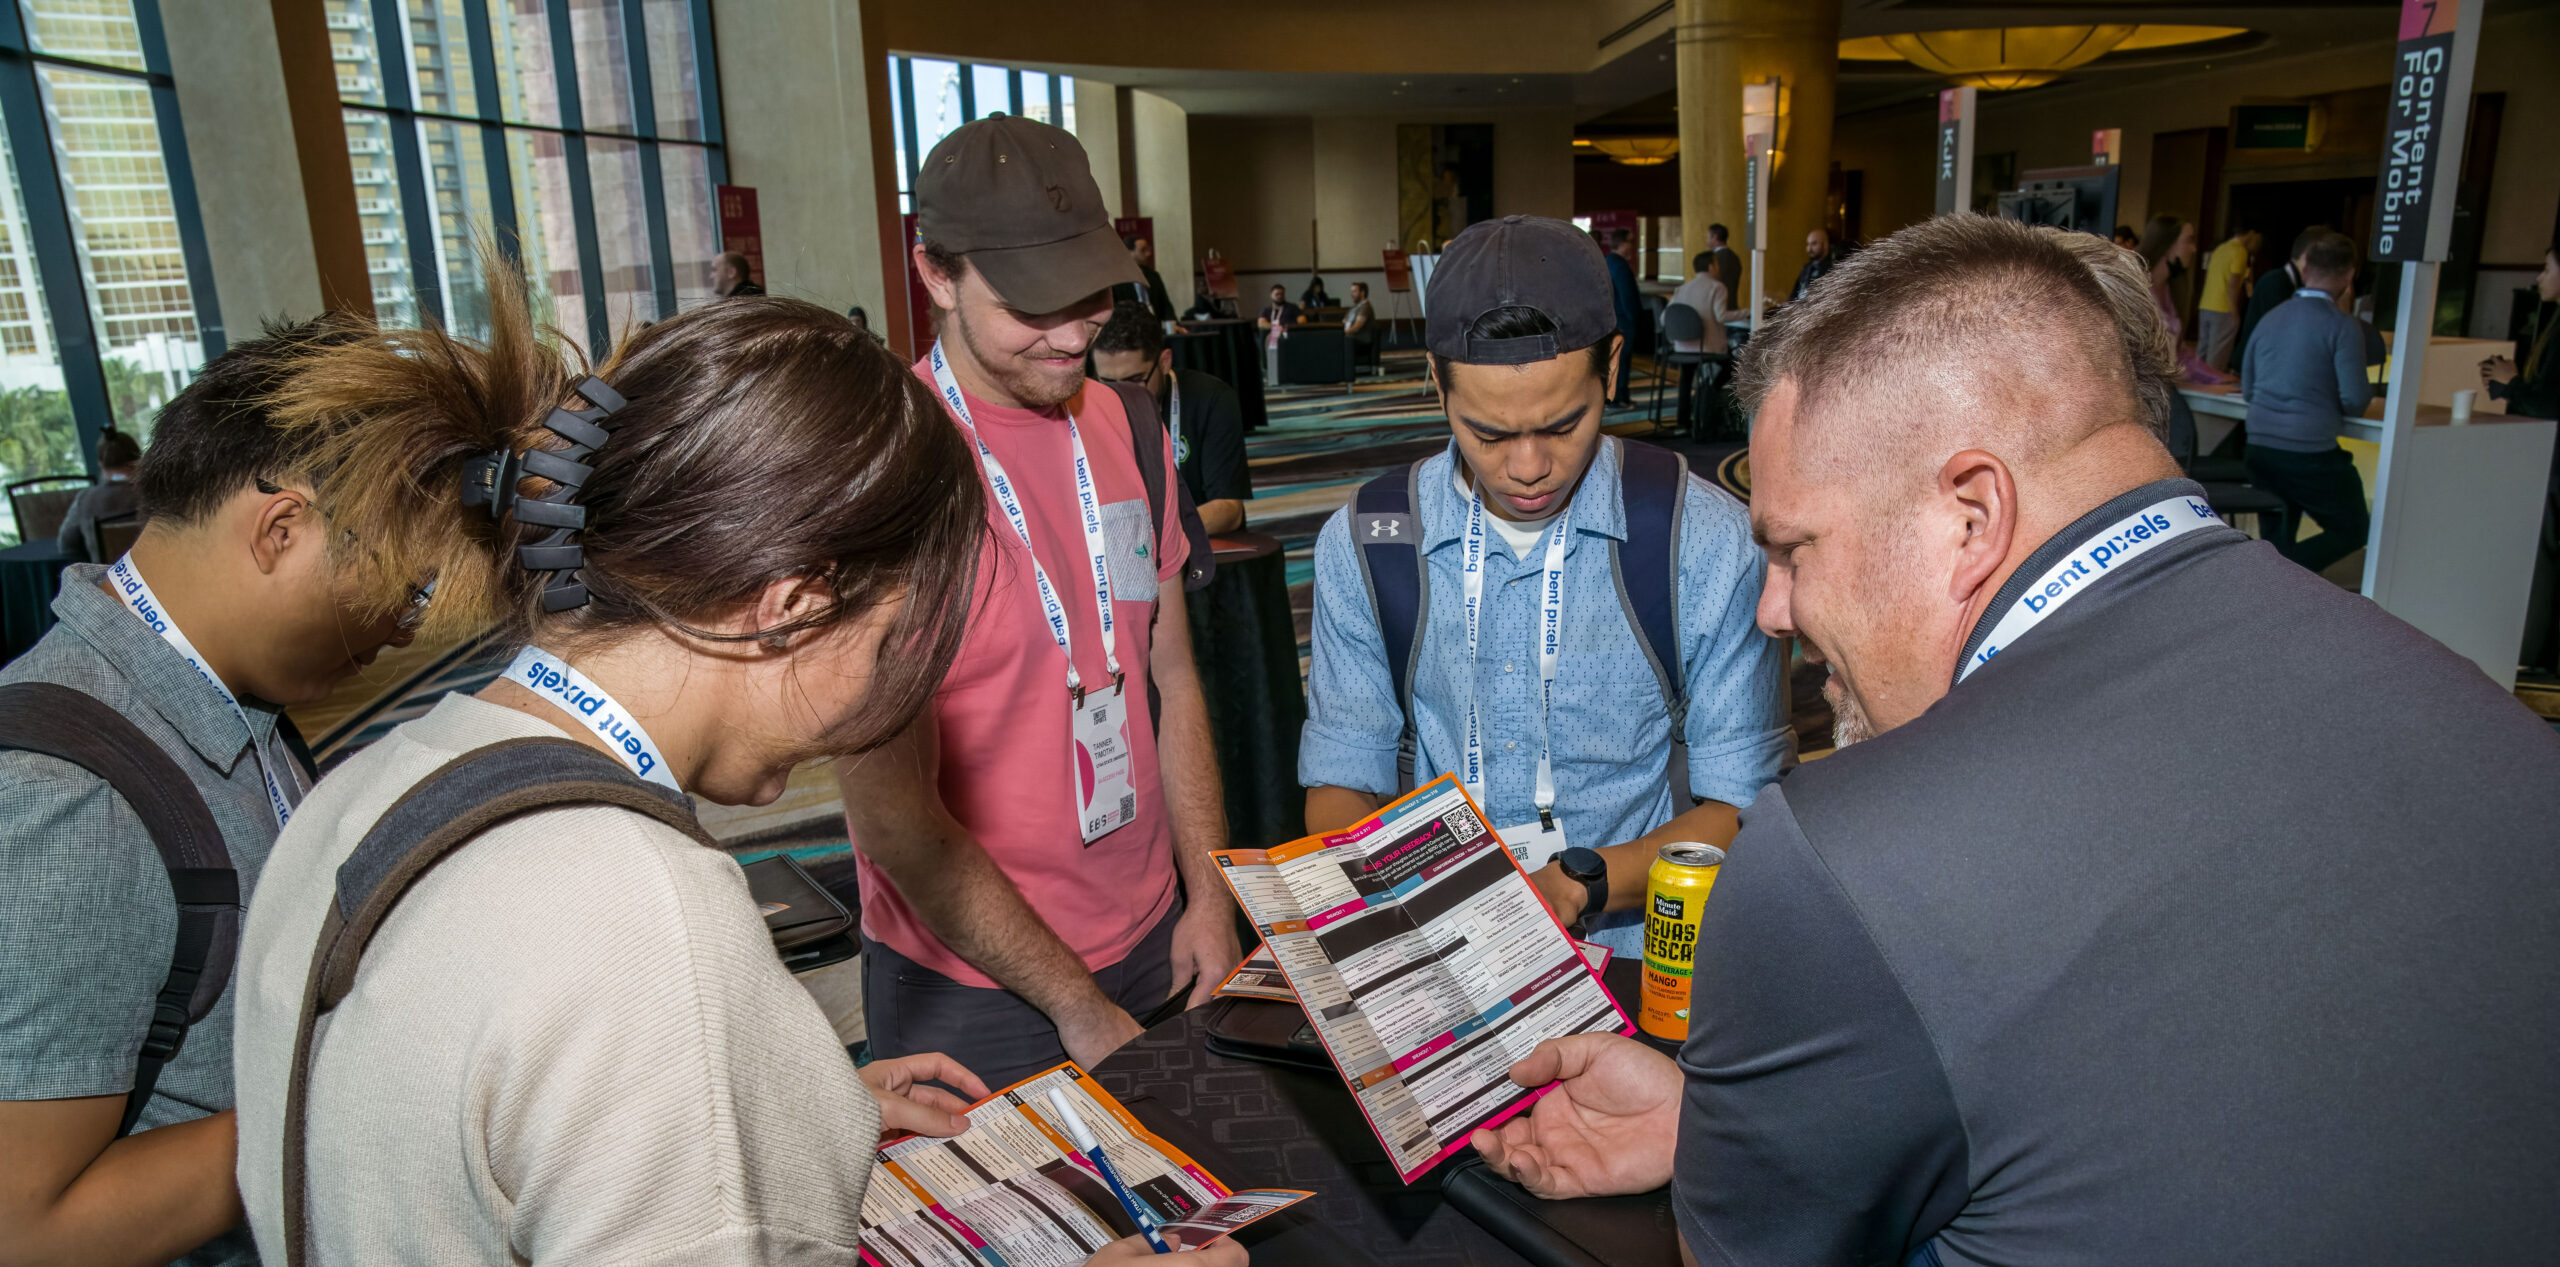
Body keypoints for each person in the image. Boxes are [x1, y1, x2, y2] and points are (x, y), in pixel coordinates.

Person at [1466, 211, 2560, 1263]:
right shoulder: (2485, 713)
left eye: (1793, 549)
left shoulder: (1851, 857)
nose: (1773, 611)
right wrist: (1745, 1129)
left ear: (1971, 516)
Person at [220, 263, 1209, 1267]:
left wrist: (759, 1125)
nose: (885, 701)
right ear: (790, 607)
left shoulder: (361, 784)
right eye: (892, 644)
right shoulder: (655, 917)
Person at [0, 317, 421, 1267]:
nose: (401, 631)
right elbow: (27, 1227)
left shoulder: (229, 701)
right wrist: (357, 1095)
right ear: (281, 529)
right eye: (405, 587)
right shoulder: (68, 794)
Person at [851, 115, 1239, 1088]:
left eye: (1091, 294)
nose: (1074, 335)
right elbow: (894, 820)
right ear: (936, 274)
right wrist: (1073, 1001)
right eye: (1031, 305)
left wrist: (1208, 895)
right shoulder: (881, 479)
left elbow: (1174, 677)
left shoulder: (1129, 424)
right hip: (973, 984)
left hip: (1157, 929)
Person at [1300, 215, 1784, 958]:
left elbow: (1744, 809)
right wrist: (1376, 899)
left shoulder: (1704, 542)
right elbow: (1342, 777)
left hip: (1639, 953)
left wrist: (1577, 886)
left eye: (1564, 425)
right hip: (1442, 955)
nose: (1528, 466)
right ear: (1436, 382)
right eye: (1488, 433)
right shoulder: (1366, 543)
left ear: (1613, 367)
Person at [2241, 231, 2373, 576]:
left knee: (2276, 539)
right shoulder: (2343, 327)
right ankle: (2284, 579)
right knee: (2354, 527)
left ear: (2304, 268)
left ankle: (2273, 582)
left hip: (2259, 450)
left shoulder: (2270, 318)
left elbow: (2248, 387)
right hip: (2309, 454)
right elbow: (2355, 400)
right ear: (2349, 275)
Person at [1093, 303, 1250, 535]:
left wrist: (1149, 535)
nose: (1121, 396)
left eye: (1134, 380)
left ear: (1164, 362)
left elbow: (1229, 510)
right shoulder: (1086, 406)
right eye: (1108, 382)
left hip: (1195, 550)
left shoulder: (1211, 399)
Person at [2481, 246, 2559, 673]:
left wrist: (2514, 385)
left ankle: (2536, 666)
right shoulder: (2551, 325)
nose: (2538, 278)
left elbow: (2551, 402)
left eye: (2547, 268)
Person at [2137, 214, 2227, 385]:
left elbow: (2181, 355)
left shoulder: (2171, 291)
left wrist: (2220, 378)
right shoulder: (2136, 289)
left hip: (2162, 389)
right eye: (2188, 241)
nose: (2193, 249)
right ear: (2167, 246)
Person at [2235, 225, 2327, 377]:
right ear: (2307, 257)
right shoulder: (2275, 282)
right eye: (2325, 260)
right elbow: (2283, 335)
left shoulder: (2290, 283)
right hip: (2255, 369)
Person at [55, 425, 143, 558]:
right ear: (139, 459)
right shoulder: (156, 493)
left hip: (106, 576)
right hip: (158, 574)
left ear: (101, 465)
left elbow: (66, 545)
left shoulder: (85, 500)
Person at [2196, 218, 2259, 372]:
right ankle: (2209, 392)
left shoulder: (2220, 248)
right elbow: (2233, 283)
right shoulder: (2239, 251)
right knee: (2216, 357)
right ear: (2250, 234)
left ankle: (2195, 388)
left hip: (2206, 304)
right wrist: (2235, 312)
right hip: (2223, 308)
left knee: (2202, 352)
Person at [1666, 252, 1746, 356]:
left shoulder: (1681, 289)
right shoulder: (1717, 287)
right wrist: (1747, 312)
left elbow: (1664, 318)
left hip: (1680, 348)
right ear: (1711, 267)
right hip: (1708, 348)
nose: (1719, 268)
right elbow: (1721, 317)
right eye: (1717, 264)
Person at [1605, 228, 1640, 407]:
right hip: (1624, 320)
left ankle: (1613, 396)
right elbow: (1628, 296)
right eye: (1630, 241)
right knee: (1623, 361)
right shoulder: (1620, 265)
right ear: (1622, 243)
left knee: (1614, 361)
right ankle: (1620, 397)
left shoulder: (1608, 261)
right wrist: (1635, 317)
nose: (1632, 246)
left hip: (1612, 319)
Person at [1111, 236, 1177, 323]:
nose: (1148, 254)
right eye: (1143, 250)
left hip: (1155, 324)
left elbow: (1165, 305)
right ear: (1129, 252)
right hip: (1130, 325)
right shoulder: (1117, 279)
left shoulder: (1153, 276)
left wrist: (1172, 323)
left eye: (1148, 249)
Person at [1789, 227, 1845, 301]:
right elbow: (1793, 296)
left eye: (1814, 244)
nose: (1809, 249)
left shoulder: (1833, 267)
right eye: (1808, 244)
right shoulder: (1807, 268)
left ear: (1825, 244)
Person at [1705, 222, 1743, 299]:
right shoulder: (1735, 257)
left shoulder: (1713, 259)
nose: (1706, 241)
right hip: (1732, 305)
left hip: (1717, 307)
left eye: (1708, 237)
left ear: (1714, 237)